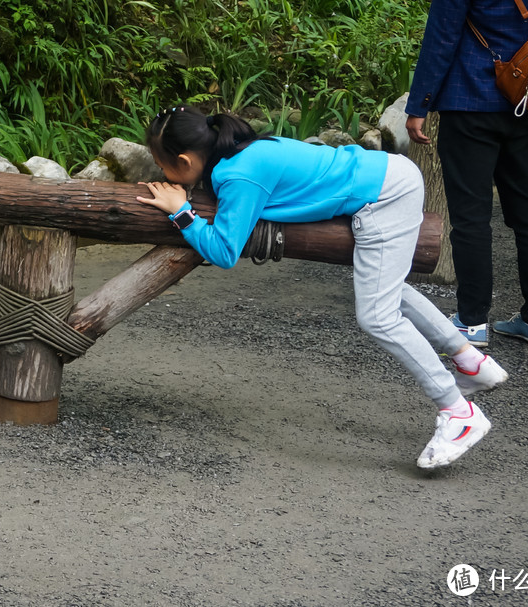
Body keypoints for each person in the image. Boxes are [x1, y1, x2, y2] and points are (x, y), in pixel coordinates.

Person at [135, 105, 508, 469]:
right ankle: (471, 363)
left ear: (185, 162)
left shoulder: (239, 175)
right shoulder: (244, 151)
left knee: (377, 315)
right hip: (390, 173)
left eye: (163, 165)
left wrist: (180, 212)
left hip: (385, 196)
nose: (161, 172)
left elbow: (224, 250)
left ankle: (459, 412)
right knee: (385, 290)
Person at [405, 0, 528, 347]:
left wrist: (419, 105)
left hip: (469, 101)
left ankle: (472, 322)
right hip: (525, 97)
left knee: (470, 216)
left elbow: (441, 37)